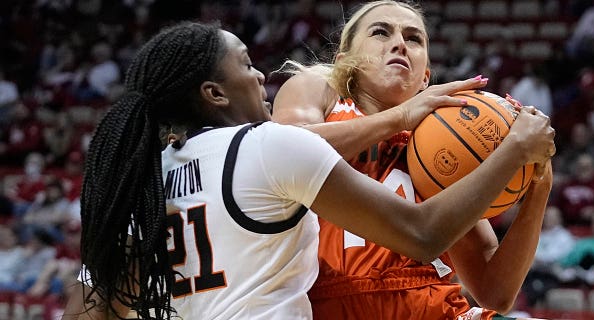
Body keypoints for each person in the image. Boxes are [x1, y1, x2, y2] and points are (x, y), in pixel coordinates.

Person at [61, 20, 553, 320]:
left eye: (413, 38)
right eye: (247, 64)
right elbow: (422, 233)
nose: (260, 76)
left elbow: (88, 311)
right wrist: (512, 152)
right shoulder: (274, 142)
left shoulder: (136, 182)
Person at [272, 1, 555, 319]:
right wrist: (400, 117)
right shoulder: (317, 88)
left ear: (426, 78)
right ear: (344, 61)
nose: (399, 44)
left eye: (414, 38)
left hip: (433, 305)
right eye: (381, 32)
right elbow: (280, 153)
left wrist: (539, 183)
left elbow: (495, 292)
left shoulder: (445, 142)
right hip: (329, 303)